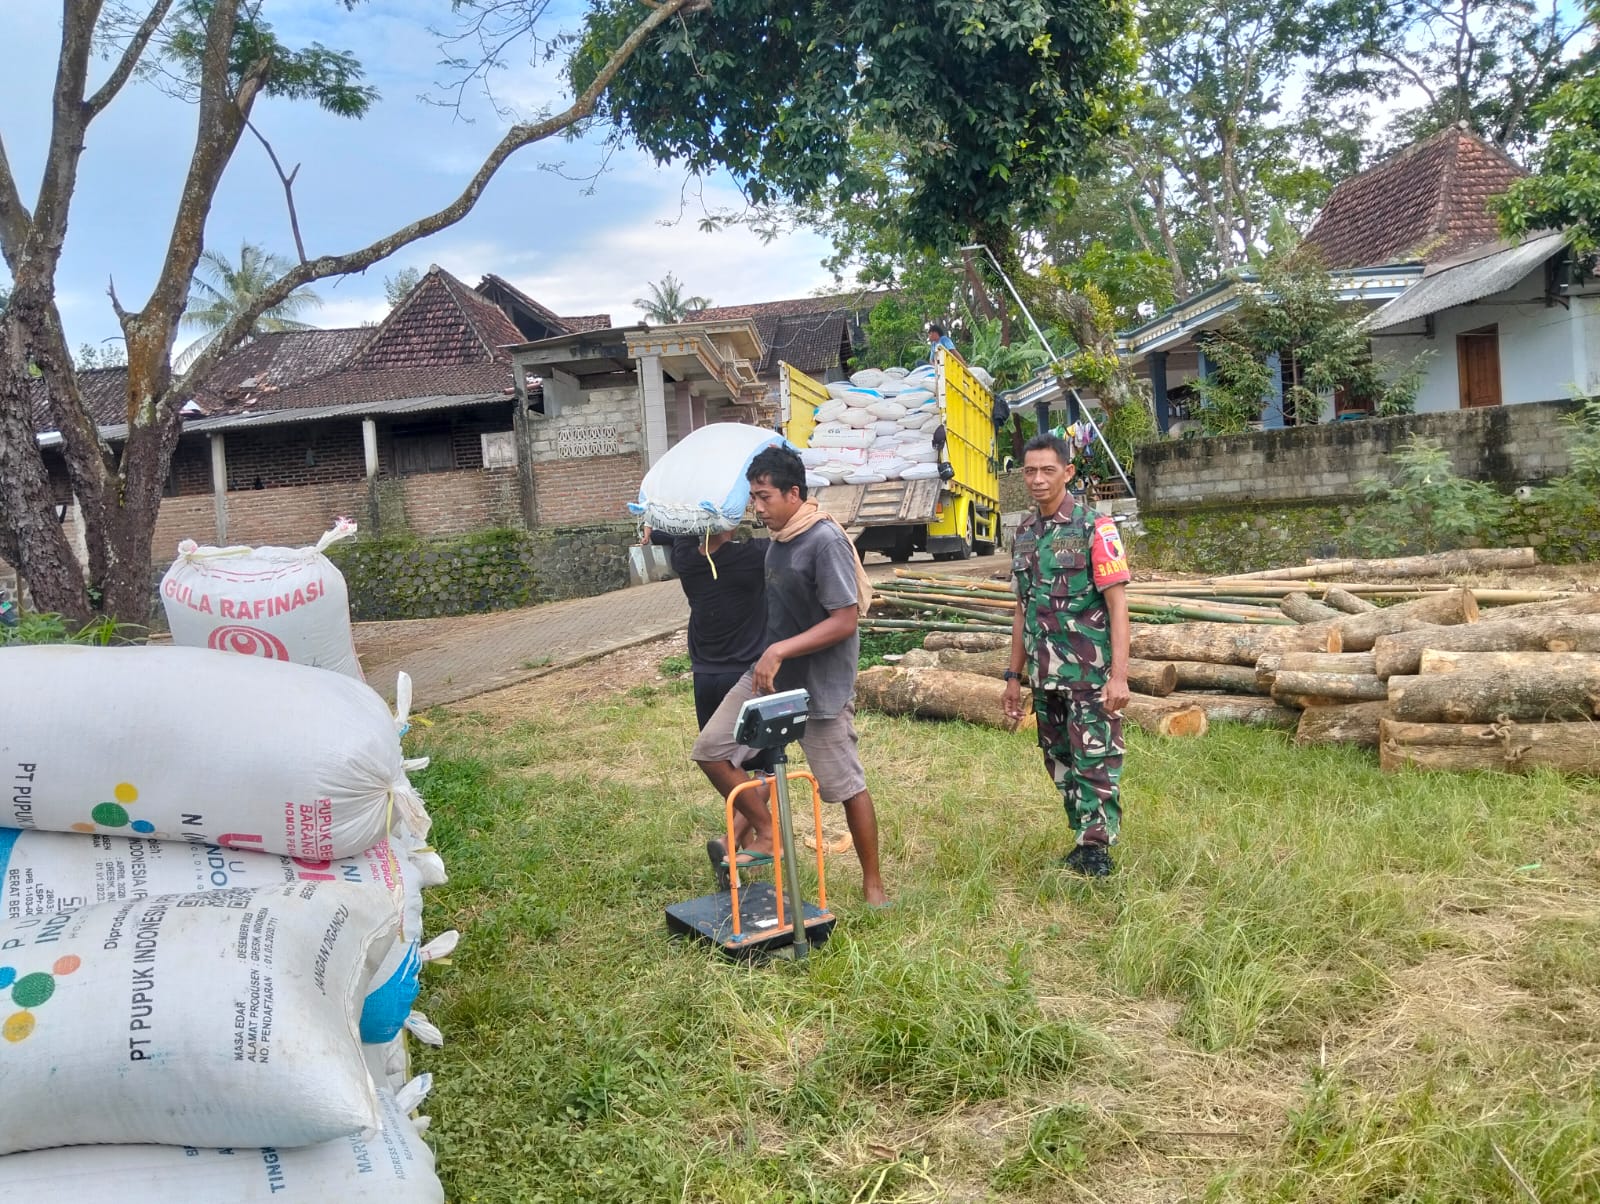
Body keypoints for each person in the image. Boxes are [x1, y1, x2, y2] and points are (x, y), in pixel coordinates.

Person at [690, 445, 888, 907]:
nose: (757, 508)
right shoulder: (778, 544)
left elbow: (845, 620)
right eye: (753, 497)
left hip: (821, 689)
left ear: (793, 493)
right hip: (770, 680)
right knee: (711, 750)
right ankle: (768, 832)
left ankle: (874, 884)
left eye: (764, 497)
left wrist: (779, 649)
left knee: (846, 788)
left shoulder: (824, 541)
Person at [1002, 432, 1132, 877]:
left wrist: (1119, 676)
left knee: (1094, 757)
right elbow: (1022, 609)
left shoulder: (1096, 528)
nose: (1037, 480)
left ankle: (1096, 850)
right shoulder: (1023, 535)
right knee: (1058, 758)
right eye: (1030, 471)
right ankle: (1082, 836)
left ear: (1068, 472)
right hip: (1044, 676)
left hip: (1090, 674)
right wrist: (1012, 676)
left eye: (1047, 470)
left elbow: (1118, 606)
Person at [643, 524, 773, 884]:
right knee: (766, 771)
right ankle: (739, 840)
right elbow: (789, 537)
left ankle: (736, 850)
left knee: (728, 766)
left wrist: (654, 530)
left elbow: (671, 534)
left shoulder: (685, 556)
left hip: (705, 675)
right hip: (747, 677)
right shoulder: (753, 557)